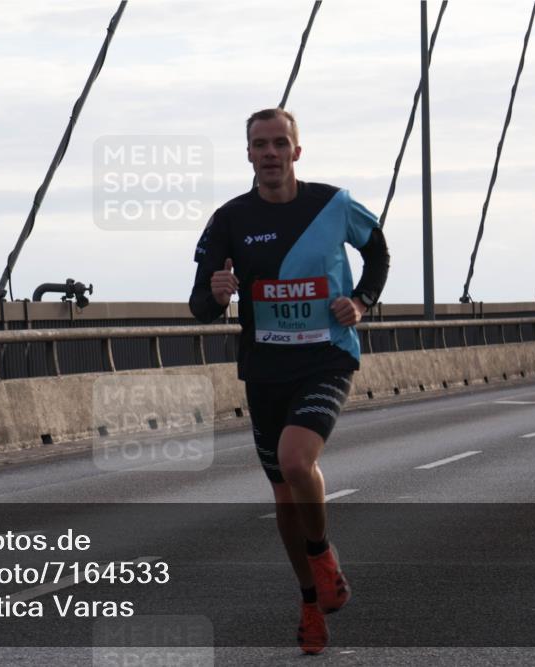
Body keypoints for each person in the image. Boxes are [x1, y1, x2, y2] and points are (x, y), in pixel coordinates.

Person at [189, 108, 389, 655]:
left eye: (280, 143)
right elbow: (200, 304)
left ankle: (322, 554)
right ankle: (309, 602)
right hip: (265, 368)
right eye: (261, 144)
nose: (271, 153)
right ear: (249, 154)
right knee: (282, 494)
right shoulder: (229, 219)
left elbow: (377, 251)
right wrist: (219, 293)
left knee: (297, 462)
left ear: (296, 151)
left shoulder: (333, 204)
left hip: (326, 358)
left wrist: (361, 301)